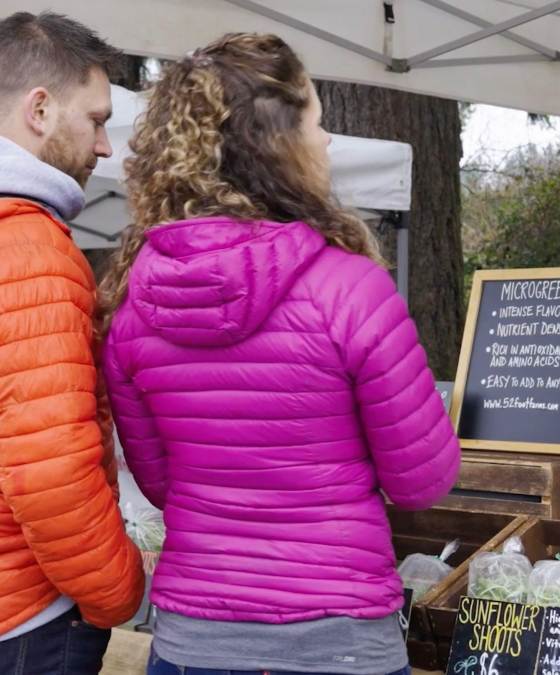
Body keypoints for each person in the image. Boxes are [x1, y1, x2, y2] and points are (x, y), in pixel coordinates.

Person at [98, 33, 461, 675]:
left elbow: (158, 485)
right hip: (338, 637)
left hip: (195, 642)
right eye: (318, 123)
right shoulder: (349, 288)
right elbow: (421, 481)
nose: (326, 143)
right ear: (281, 145)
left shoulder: (131, 310)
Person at [0, 11, 146, 675]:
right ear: (39, 110)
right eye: (96, 118)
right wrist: (118, 587)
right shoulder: (32, 250)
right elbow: (52, 472)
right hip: (32, 616)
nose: (106, 146)